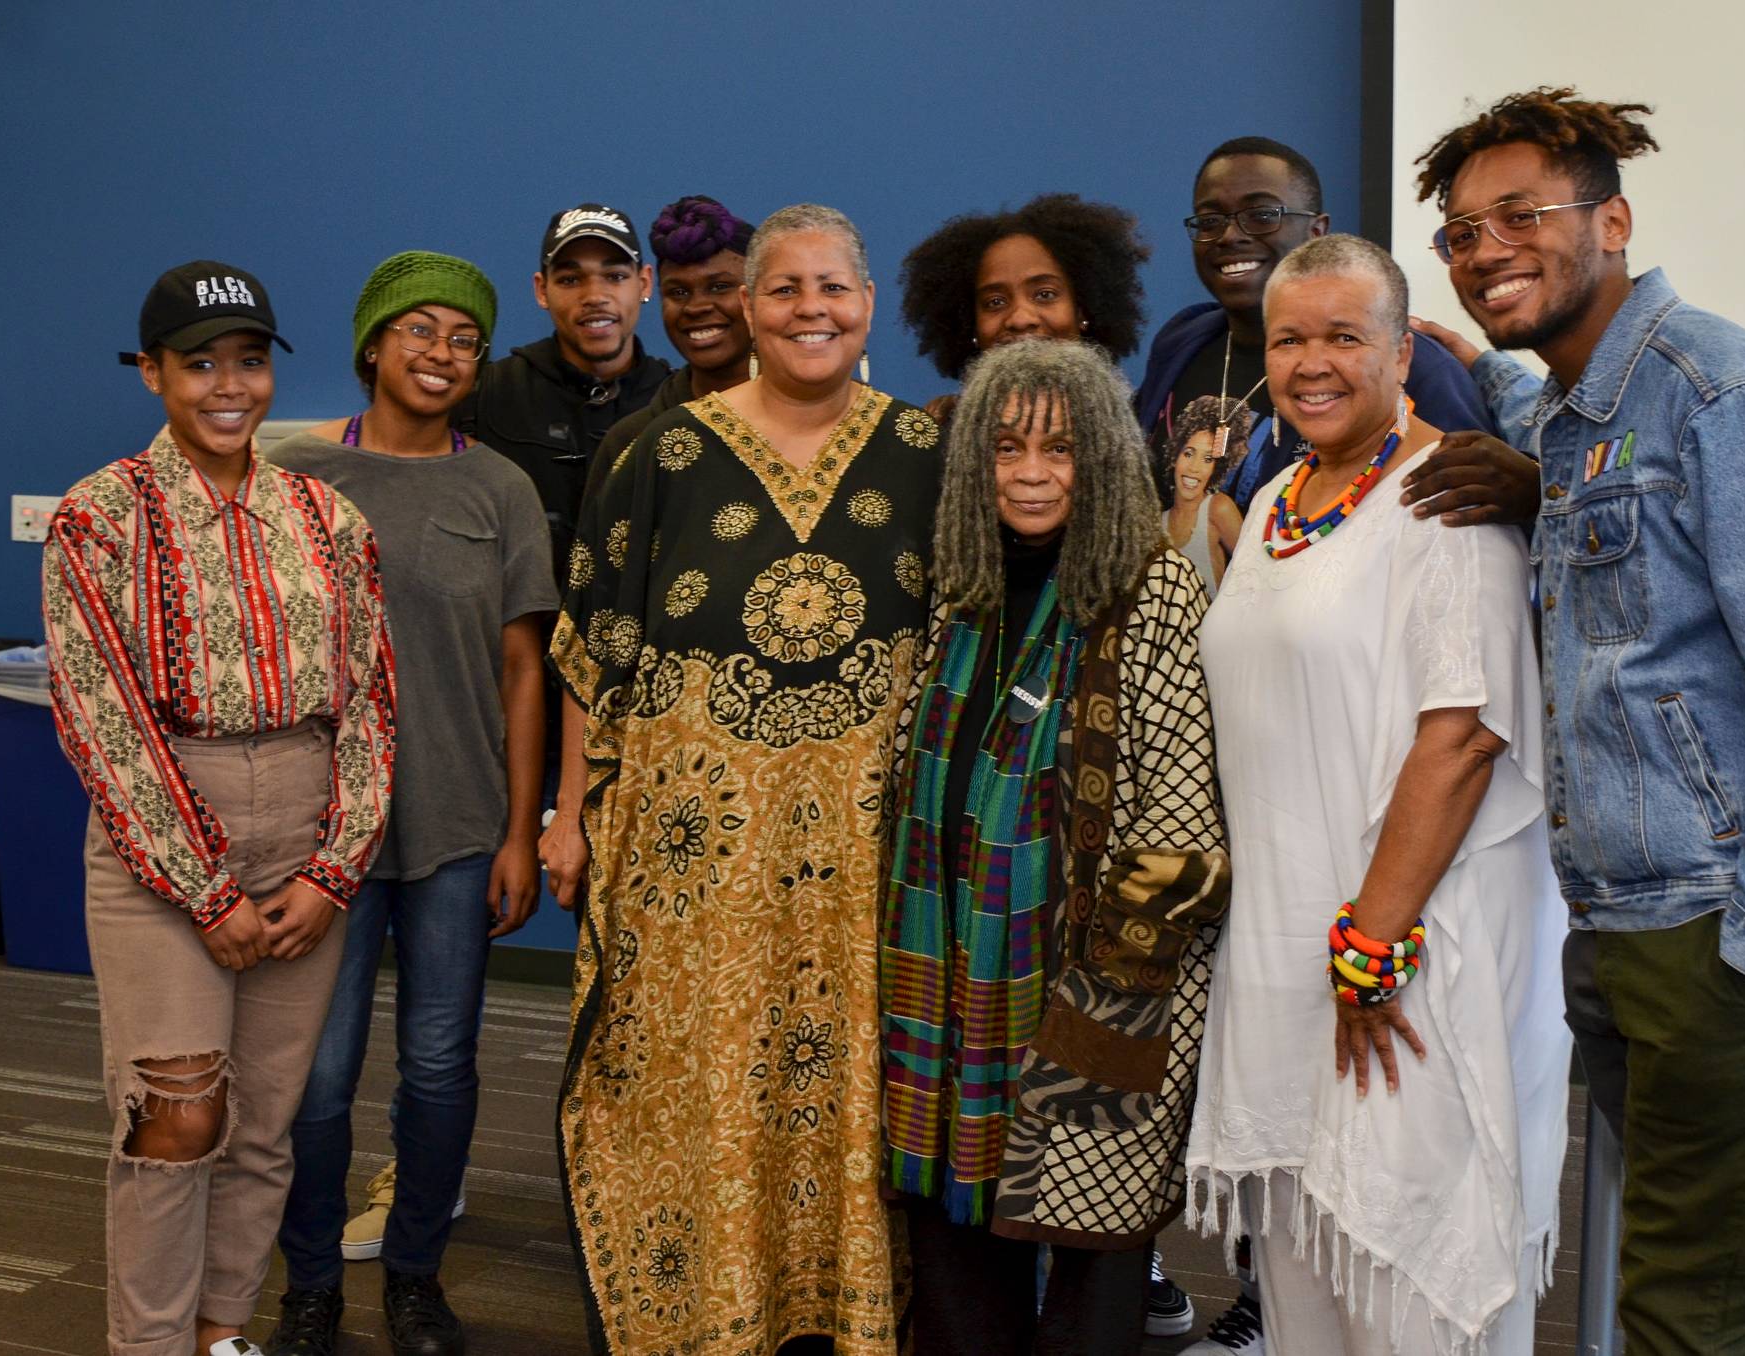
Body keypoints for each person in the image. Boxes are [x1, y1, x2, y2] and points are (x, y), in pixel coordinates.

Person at [1407, 88, 1745, 1355]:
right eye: (1462, 233)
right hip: (1634, 911)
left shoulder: (1726, 396)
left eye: (1521, 214)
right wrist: (1480, 373)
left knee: (1681, 1299)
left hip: (1728, 920)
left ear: (1614, 220)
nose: (1485, 250)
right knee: (1721, 1269)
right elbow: (1560, 443)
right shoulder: (1585, 413)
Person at [543, 204, 938, 1354]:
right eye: (785, 290)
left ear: (867, 307)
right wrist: (573, 813)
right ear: (746, 311)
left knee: (850, 1084)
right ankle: (710, 1309)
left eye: (833, 288)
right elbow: (592, 652)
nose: (810, 309)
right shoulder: (661, 454)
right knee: (697, 1083)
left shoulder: (926, 455)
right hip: (695, 873)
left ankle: (843, 1312)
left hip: (864, 861)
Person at [1185, 235, 1569, 1355]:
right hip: (1289, 958)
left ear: (1402, 350)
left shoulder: (1446, 498)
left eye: (1344, 336)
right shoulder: (1273, 505)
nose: (1312, 362)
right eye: (1288, 338)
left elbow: (1462, 737)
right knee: (1308, 1285)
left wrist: (1372, 946)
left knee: (1410, 1283)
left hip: (1405, 963)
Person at [45, 261, 395, 1356]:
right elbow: (101, 715)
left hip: (304, 830)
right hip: (163, 836)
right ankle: (149, 1345)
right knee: (177, 1115)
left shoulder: (323, 513)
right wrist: (203, 888)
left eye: (248, 361)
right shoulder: (100, 517)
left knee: (262, 1124)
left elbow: (373, 699)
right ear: (153, 374)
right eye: (201, 364)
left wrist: (334, 868)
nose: (229, 385)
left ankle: (220, 1332)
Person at [881, 338, 1230, 1353]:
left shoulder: (1156, 593)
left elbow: (1185, 823)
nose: (1030, 475)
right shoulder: (958, 592)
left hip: (1098, 985)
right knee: (957, 1225)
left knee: (1090, 1239)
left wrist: (1104, 1003)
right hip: (947, 976)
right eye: (1004, 449)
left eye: (1061, 451)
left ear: (1109, 461)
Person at [261, 253, 555, 1356]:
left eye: (464, 339)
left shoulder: (501, 488)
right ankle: (310, 1284)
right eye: (419, 331)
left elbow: (526, 669)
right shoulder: (293, 474)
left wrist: (523, 831)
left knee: (439, 1066)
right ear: (373, 344)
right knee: (318, 1075)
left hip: (458, 825)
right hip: (316, 831)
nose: (441, 354)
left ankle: (418, 1275)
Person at [1133, 137, 1495, 519]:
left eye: (1260, 215)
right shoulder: (1182, 342)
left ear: (1317, 231)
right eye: (1210, 221)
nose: (1229, 236)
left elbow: (1469, 519)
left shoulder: (1412, 365)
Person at [456, 201, 671, 590]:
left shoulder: (680, 402)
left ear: (645, 283)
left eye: (615, 276)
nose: (595, 295)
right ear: (542, 290)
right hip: (519, 641)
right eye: (571, 280)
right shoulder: (484, 396)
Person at [898, 192, 1150, 424]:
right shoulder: (941, 433)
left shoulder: (1141, 426)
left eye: (1044, 294)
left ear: (1082, 311)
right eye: (995, 302)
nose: (1020, 318)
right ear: (970, 325)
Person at [585, 194, 756, 501]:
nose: (696, 307)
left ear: (759, 296)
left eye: (719, 287)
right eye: (678, 292)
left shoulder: (815, 421)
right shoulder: (630, 443)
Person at [1159, 395, 1250, 592]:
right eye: (1189, 454)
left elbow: (1254, 575)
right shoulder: (1158, 524)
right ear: (1175, 456)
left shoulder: (1218, 508)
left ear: (1216, 468)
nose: (1194, 468)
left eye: (1208, 459)